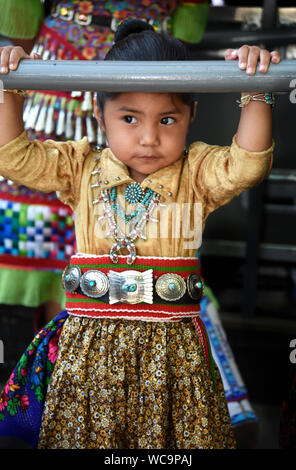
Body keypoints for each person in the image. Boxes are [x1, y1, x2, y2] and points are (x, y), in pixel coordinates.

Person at [0, 19, 280, 449]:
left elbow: (249, 164)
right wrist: (10, 84)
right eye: (129, 118)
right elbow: (13, 157)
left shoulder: (197, 172)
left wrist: (257, 90)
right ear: (99, 114)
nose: (149, 138)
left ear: (192, 115)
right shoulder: (79, 167)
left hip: (173, 355)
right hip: (89, 352)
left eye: (168, 119)